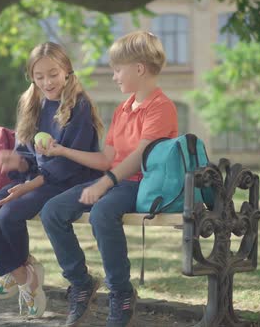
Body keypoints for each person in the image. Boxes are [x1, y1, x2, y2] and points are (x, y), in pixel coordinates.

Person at [37, 31, 178, 326]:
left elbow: (138, 158)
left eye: (117, 69)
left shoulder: (161, 107)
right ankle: (81, 282)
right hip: (115, 181)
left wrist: (103, 183)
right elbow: (105, 159)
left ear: (138, 69)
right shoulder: (122, 110)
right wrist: (62, 150)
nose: (113, 76)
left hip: (141, 183)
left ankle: (121, 293)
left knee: (102, 214)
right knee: (52, 211)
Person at [0, 42, 103, 318]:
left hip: (68, 182)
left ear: (66, 70)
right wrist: (17, 163)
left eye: (53, 74)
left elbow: (68, 166)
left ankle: (21, 277)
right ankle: (23, 275)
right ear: (31, 76)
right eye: (39, 76)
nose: (47, 82)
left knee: (9, 214)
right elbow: (27, 156)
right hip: (38, 180)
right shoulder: (31, 102)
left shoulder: (79, 105)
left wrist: (28, 186)